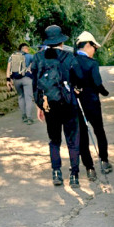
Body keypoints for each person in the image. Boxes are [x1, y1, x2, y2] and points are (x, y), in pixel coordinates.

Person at [29, 24, 84, 187]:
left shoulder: (38, 58)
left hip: (49, 105)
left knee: (54, 140)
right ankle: (74, 176)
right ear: (61, 41)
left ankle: (56, 173)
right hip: (69, 104)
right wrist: (77, 90)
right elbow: (79, 79)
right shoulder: (69, 57)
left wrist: (40, 106)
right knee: (72, 141)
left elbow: (35, 84)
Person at [73, 31, 111, 181]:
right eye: (94, 47)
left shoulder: (71, 61)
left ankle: (89, 168)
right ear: (88, 45)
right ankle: (104, 161)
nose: (94, 50)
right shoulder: (92, 63)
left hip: (77, 105)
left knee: (82, 136)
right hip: (92, 103)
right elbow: (97, 83)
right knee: (99, 131)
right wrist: (105, 92)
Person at [6, 43, 34, 124]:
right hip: (27, 79)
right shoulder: (30, 56)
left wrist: (8, 80)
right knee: (28, 98)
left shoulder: (12, 56)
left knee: (21, 97)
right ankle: (29, 118)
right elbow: (35, 66)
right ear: (25, 48)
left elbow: (8, 69)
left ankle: (24, 116)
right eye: (28, 49)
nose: (28, 50)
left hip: (16, 80)